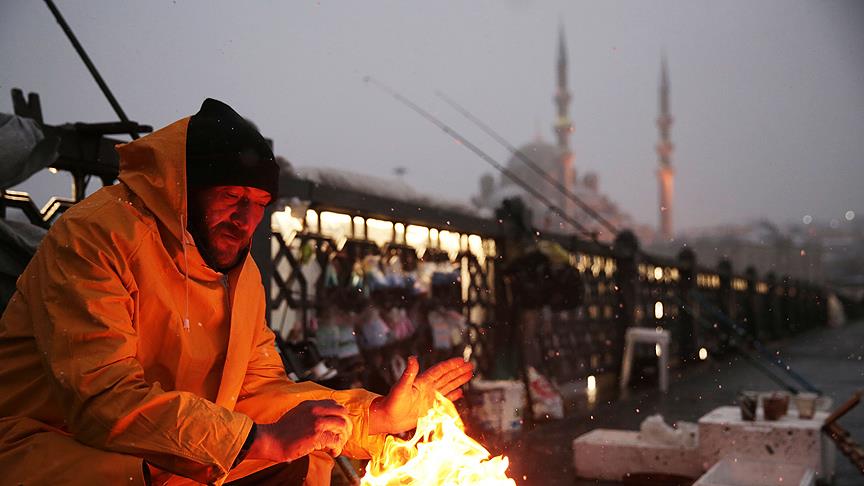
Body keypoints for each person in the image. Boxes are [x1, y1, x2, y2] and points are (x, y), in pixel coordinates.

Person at [0, 99, 474, 485]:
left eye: (260, 205)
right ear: (186, 190)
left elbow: (258, 388)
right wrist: (256, 442)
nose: (246, 220)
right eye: (231, 199)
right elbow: (102, 400)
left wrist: (372, 417)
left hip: (168, 454)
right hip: (55, 452)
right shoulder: (96, 237)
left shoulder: (239, 274)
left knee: (302, 460)